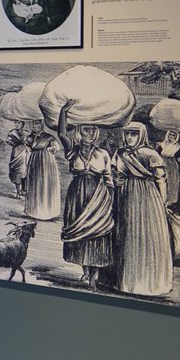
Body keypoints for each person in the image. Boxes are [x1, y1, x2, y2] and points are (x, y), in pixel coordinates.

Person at [56, 103, 115, 290]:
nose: (90, 134)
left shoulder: (103, 153)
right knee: (80, 233)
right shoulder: (72, 150)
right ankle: (85, 270)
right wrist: (64, 111)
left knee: (97, 232)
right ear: (80, 132)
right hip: (77, 196)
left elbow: (109, 179)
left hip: (98, 196)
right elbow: (62, 133)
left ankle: (93, 275)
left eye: (93, 130)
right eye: (86, 130)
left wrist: (110, 201)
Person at [113, 122, 173, 296]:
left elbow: (161, 180)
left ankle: (149, 283)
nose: (130, 138)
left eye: (133, 134)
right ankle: (126, 282)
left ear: (141, 135)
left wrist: (163, 203)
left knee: (149, 236)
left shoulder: (151, 154)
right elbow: (116, 174)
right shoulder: (121, 153)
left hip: (148, 197)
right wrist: (117, 181)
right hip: (127, 197)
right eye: (127, 134)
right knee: (128, 235)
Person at [22, 119, 60, 221]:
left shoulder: (48, 137)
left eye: (38, 123)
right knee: (36, 183)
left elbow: (56, 148)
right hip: (34, 161)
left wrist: (50, 149)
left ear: (42, 124)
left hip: (47, 161)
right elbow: (27, 150)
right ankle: (34, 211)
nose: (36, 126)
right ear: (31, 125)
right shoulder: (29, 138)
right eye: (34, 124)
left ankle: (48, 211)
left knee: (46, 183)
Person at [4, 120, 29, 198]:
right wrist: (14, 142)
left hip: (25, 152)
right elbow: (8, 141)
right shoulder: (12, 133)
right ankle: (18, 191)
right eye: (16, 123)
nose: (17, 124)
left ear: (23, 124)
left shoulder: (27, 133)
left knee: (25, 171)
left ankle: (24, 190)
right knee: (16, 171)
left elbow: (30, 141)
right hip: (16, 152)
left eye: (19, 123)